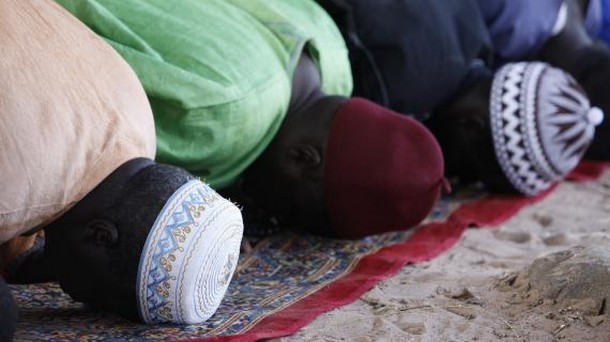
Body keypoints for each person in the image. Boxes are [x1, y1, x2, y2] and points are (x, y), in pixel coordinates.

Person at [56, 0, 448, 240]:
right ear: (304, 158)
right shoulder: (222, 121)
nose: (267, 215)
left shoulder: (330, 48)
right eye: (291, 212)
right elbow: (74, 128)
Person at [0, 0, 243, 325]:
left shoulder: (140, 121)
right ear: (101, 236)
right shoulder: (11, 197)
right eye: (92, 297)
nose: (69, 293)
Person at [315, 0, 603, 195]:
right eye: (468, 170)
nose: (454, 177)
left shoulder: (476, 34)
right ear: (471, 124)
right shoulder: (398, 94)